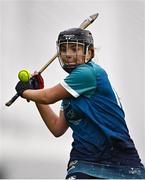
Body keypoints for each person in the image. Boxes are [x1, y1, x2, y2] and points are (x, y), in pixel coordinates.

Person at [15, 28, 145, 179]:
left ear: (89, 53)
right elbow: (57, 128)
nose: (68, 54)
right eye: (63, 49)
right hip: (84, 161)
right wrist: (37, 92)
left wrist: (24, 91)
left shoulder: (87, 73)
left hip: (121, 161)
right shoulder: (69, 92)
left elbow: (47, 97)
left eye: (75, 48)